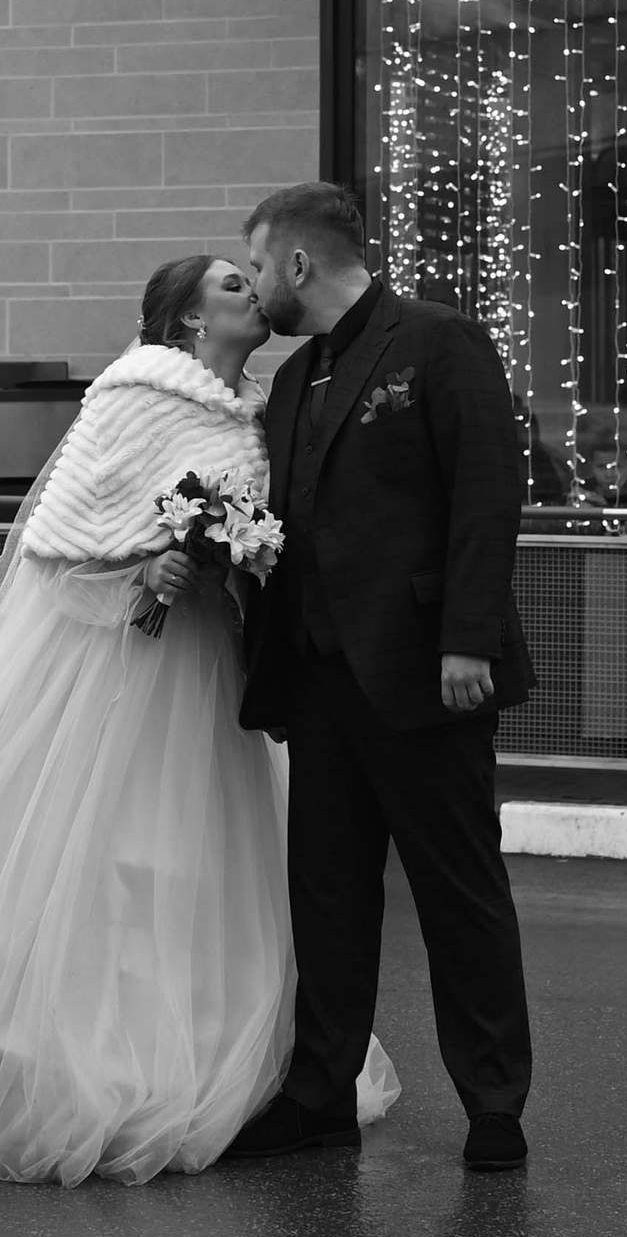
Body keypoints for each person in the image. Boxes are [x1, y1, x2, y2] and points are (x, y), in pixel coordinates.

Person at [0, 254, 397, 1185]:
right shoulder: (133, 395)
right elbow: (62, 544)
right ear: (187, 320)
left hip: (208, 666)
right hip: (120, 664)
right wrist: (142, 568)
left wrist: (230, 565)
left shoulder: (259, 412)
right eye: (230, 284)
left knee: (190, 859)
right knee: (95, 846)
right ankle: (30, 1063)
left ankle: (187, 1054)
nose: (251, 292)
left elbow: (261, 537)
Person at [228, 183, 535, 1174]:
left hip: (425, 673)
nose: (256, 286)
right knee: (327, 898)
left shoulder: (438, 341)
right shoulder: (295, 376)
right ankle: (319, 1096)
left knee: (459, 893)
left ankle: (494, 1105)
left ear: (300, 263)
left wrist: (467, 639)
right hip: (319, 682)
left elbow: (487, 491)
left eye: (260, 265)